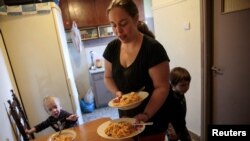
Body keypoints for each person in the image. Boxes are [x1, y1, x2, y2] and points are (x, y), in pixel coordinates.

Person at [103, 0, 170, 140]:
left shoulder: (153, 49)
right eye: (113, 25)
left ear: (135, 18)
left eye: (123, 23)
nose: (118, 31)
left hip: (153, 118)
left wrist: (146, 114)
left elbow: (162, 87)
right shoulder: (111, 48)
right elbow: (107, 77)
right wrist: (117, 92)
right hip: (126, 119)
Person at [166, 67, 192, 141]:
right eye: (183, 85)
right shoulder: (169, 98)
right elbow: (165, 116)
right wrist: (171, 130)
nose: (187, 87)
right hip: (172, 129)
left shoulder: (180, 92)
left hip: (182, 125)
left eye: (188, 84)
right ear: (172, 85)